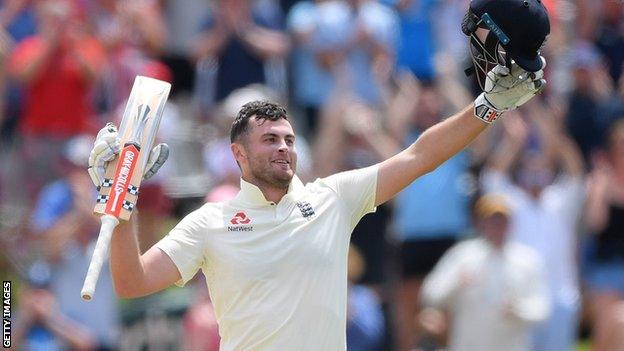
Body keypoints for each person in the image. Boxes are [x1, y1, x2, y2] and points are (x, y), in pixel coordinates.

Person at [87, 0, 550, 349]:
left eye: (289, 139)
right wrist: (121, 196)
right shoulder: (210, 222)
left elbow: (418, 157)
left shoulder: (333, 197)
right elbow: (131, 282)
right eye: (270, 140)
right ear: (238, 155)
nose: (284, 149)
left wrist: (487, 109)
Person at [419, 194, 550, 351]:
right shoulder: (462, 256)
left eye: (501, 221)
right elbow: (430, 295)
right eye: (492, 221)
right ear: (481, 223)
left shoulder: (527, 260)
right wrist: (457, 282)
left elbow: (542, 310)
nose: (497, 226)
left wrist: (517, 310)